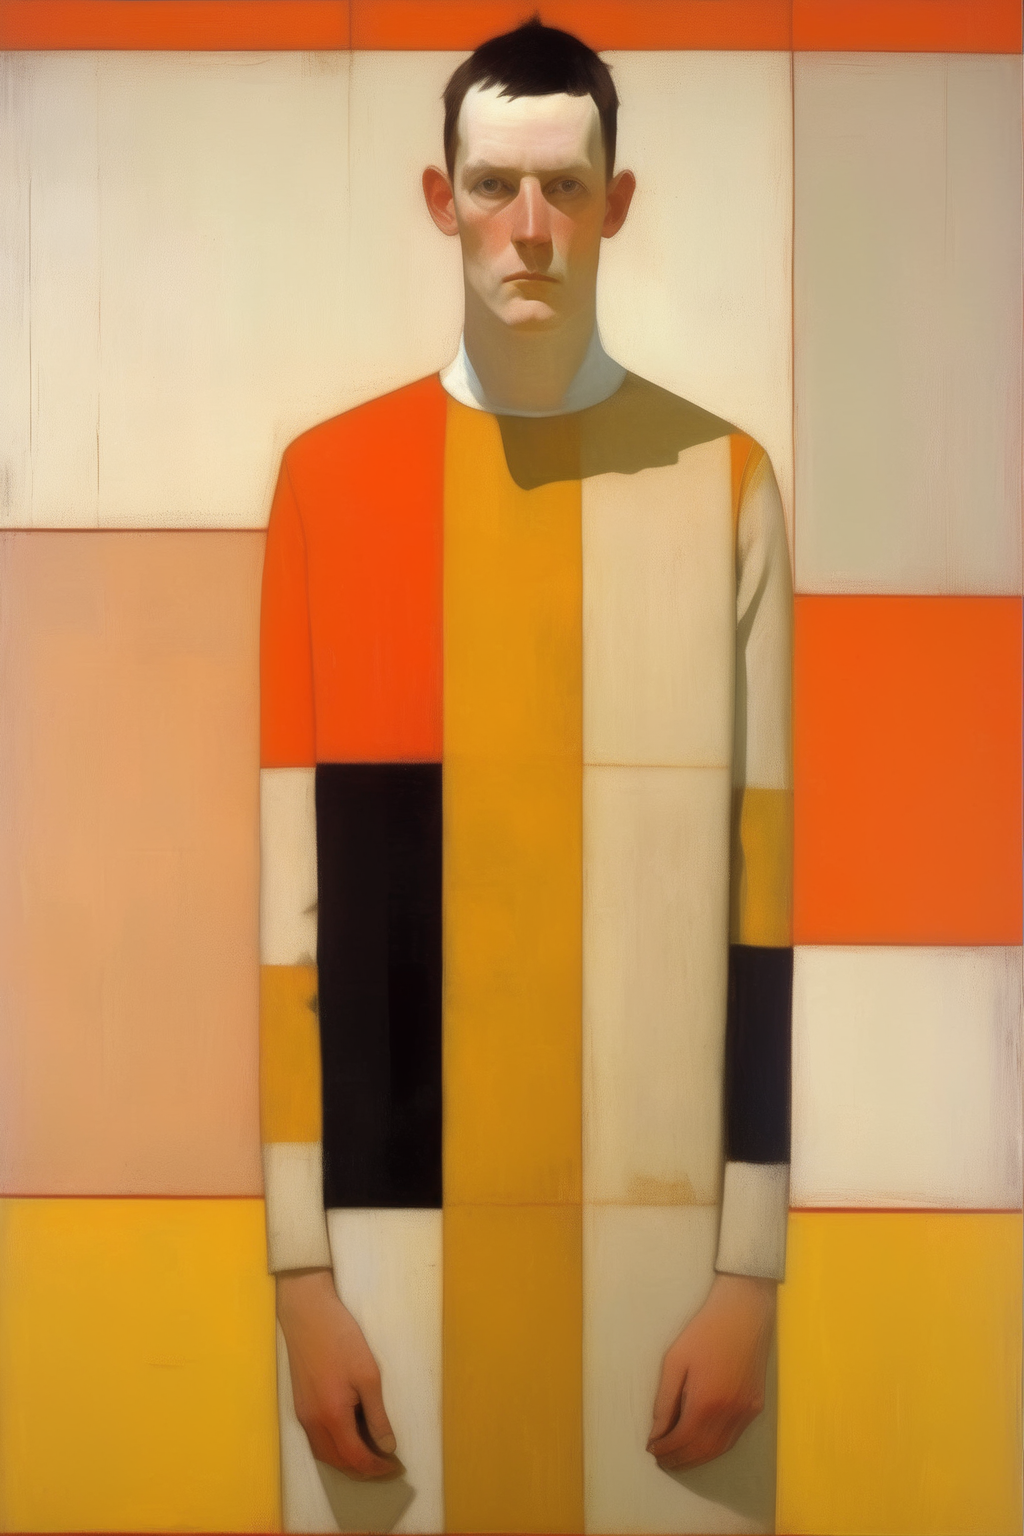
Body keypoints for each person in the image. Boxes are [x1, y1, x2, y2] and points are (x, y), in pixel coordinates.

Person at [258, 17, 792, 1533]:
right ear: (444, 200)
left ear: (618, 203)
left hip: (665, 1258)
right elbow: (294, 915)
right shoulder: (330, 483)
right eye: (495, 185)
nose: (531, 229)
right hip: (388, 1250)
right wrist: (302, 1277)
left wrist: (748, 1275)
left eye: (565, 187)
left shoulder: (728, 483)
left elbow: (764, 911)